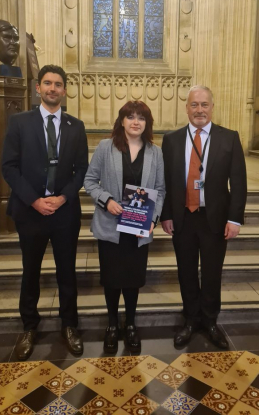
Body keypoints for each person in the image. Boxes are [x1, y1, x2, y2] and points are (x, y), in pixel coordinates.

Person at [2, 64, 88, 360]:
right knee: (31, 271)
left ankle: (69, 325)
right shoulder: (19, 122)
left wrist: (64, 197)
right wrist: (34, 200)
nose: (53, 88)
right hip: (31, 211)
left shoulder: (75, 126)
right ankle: (29, 326)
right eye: (48, 83)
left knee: (67, 272)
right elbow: (9, 167)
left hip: (64, 213)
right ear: (37, 88)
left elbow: (82, 170)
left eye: (58, 84)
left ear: (65, 91)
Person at [161, 85, 247, 349]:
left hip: (215, 219)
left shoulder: (229, 138)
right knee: (186, 272)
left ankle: (210, 321)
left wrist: (235, 219)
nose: (199, 110)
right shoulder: (172, 139)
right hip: (183, 217)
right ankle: (190, 319)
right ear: (187, 108)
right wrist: (166, 214)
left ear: (212, 107)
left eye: (204, 104)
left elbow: (239, 182)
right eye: (194, 105)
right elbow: (165, 181)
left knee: (212, 273)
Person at [84, 101, 165, 353]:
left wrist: (153, 218)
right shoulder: (105, 148)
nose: (135, 122)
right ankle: (111, 324)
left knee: (132, 280)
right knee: (111, 279)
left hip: (139, 226)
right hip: (111, 225)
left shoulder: (155, 152)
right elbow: (90, 181)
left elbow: (161, 190)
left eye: (141, 118)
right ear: (122, 121)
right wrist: (106, 200)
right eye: (130, 117)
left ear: (147, 123)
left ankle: (130, 324)